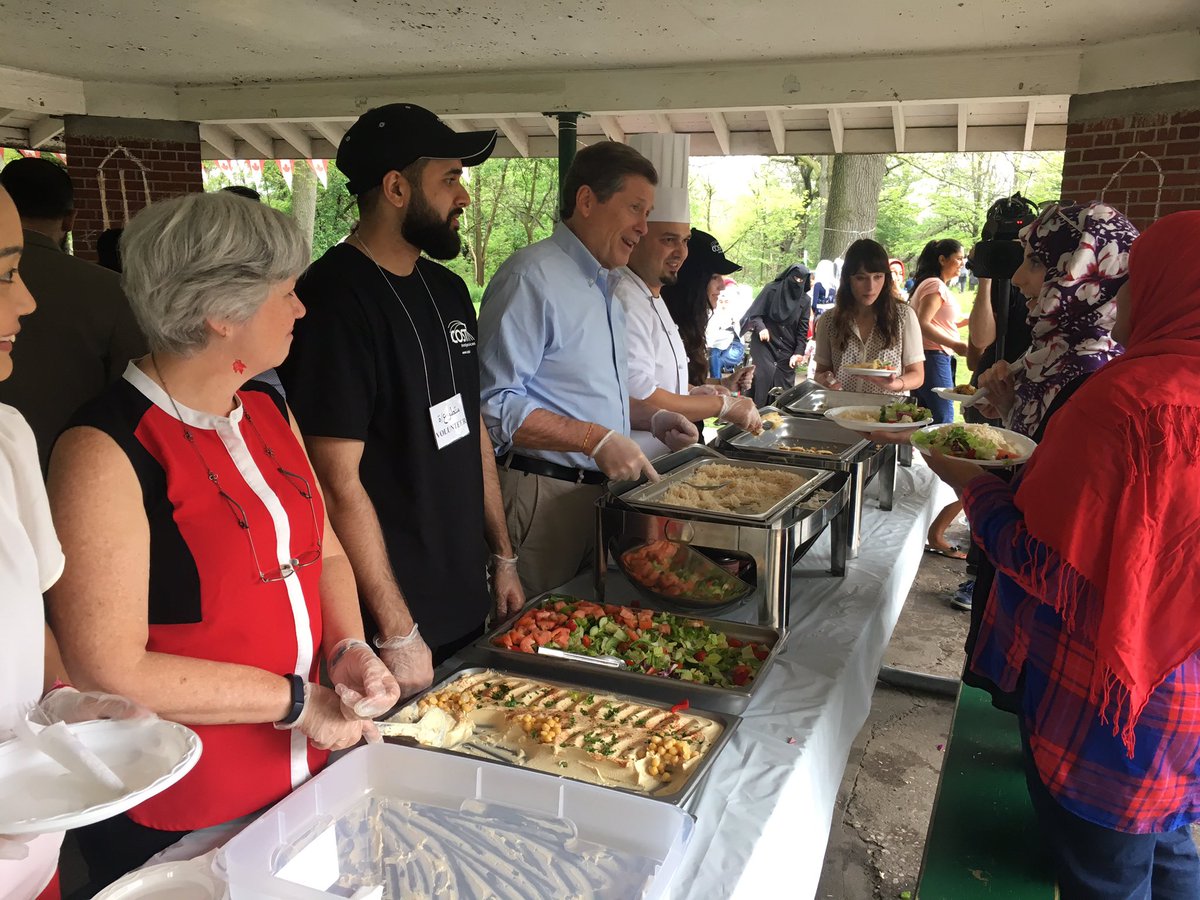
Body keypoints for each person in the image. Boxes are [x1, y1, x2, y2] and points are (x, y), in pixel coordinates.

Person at [45, 192, 399, 890]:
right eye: (288, 292)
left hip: (306, 775)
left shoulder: (265, 405)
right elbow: (109, 669)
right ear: (222, 313)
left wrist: (349, 646)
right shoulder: (104, 447)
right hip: (183, 805)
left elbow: (321, 546)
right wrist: (298, 701)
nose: (302, 308)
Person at [925, 210, 1200, 898]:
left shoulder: (1124, 399)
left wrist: (975, 490)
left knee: (1102, 876)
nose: (1120, 295)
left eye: (1135, 279)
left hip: (1105, 700)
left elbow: (1040, 554)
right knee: (1167, 847)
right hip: (1182, 691)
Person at [279, 105, 522, 681]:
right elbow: (334, 481)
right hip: (390, 620)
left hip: (464, 592)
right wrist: (395, 627)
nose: (463, 198)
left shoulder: (449, 289)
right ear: (394, 188)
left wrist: (503, 556)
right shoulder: (333, 301)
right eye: (450, 179)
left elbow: (472, 432)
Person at [0, 184, 150, 900]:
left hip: (36, 865)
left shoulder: (7, 437)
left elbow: (31, 616)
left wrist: (61, 700)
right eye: (3, 275)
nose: (26, 302)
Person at [478, 140, 697, 596]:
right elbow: (494, 406)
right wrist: (594, 439)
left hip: (596, 498)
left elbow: (596, 394)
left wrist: (651, 419)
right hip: (541, 495)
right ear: (586, 201)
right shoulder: (530, 276)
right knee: (531, 640)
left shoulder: (608, 284)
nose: (643, 226)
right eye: (635, 208)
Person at [615, 135, 761, 458]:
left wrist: (698, 390)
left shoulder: (654, 296)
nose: (679, 252)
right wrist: (721, 405)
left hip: (663, 461)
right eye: (668, 239)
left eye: (683, 241)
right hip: (636, 468)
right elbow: (643, 396)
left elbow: (665, 384)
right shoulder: (624, 297)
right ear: (639, 236)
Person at [0, 157, 145, 472]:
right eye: (8, 276)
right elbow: (134, 391)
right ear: (69, 219)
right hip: (77, 466)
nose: (26, 303)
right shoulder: (111, 289)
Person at [974, 202, 1136, 437]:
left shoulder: (1092, 374)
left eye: (1036, 262)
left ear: (1082, 273)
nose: (1017, 278)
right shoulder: (1061, 345)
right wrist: (1007, 404)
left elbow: (1045, 469)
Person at [812, 239, 925, 395]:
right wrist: (825, 380)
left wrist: (894, 384)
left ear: (886, 278)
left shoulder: (903, 316)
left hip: (886, 412)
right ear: (847, 279)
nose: (870, 286)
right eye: (861, 278)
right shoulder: (829, 320)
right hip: (841, 411)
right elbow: (821, 372)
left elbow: (917, 375)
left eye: (877, 276)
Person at [661, 228, 754, 395]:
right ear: (692, 281)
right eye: (714, 276)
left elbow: (686, 383)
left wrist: (724, 383)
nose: (722, 285)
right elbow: (661, 393)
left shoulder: (690, 321)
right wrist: (721, 406)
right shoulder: (663, 322)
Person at [910, 238, 968, 424]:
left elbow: (937, 322)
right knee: (943, 419)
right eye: (958, 258)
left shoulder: (931, 284)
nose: (962, 264)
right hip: (934, 356)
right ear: (942, 260)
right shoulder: (935, 285)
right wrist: (956, 344)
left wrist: (966, 322)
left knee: (923, 416)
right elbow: (923, 323)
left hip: (929, 356)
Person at [741, 263, 814, 407]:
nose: (798, 283)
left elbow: (802, 329)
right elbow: (755, 314)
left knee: (782, 385)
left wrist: (798, 352)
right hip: (765, 344)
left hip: (787, 347)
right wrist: (761, 328)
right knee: (763, 376)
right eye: (795, 279)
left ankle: (778, 419)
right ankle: (755, 416)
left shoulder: (804, 300)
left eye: (802, 281)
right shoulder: (771, 290)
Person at [705, 277, 746, 378]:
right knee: (714, 355)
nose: (723, 304)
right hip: (717, 347)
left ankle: (717, 384)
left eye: (726, 301)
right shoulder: (713, 313)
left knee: (717, 360)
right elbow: (711, 338)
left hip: (735, 347)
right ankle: (717, 383)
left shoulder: (737, 312)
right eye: (721, 301)